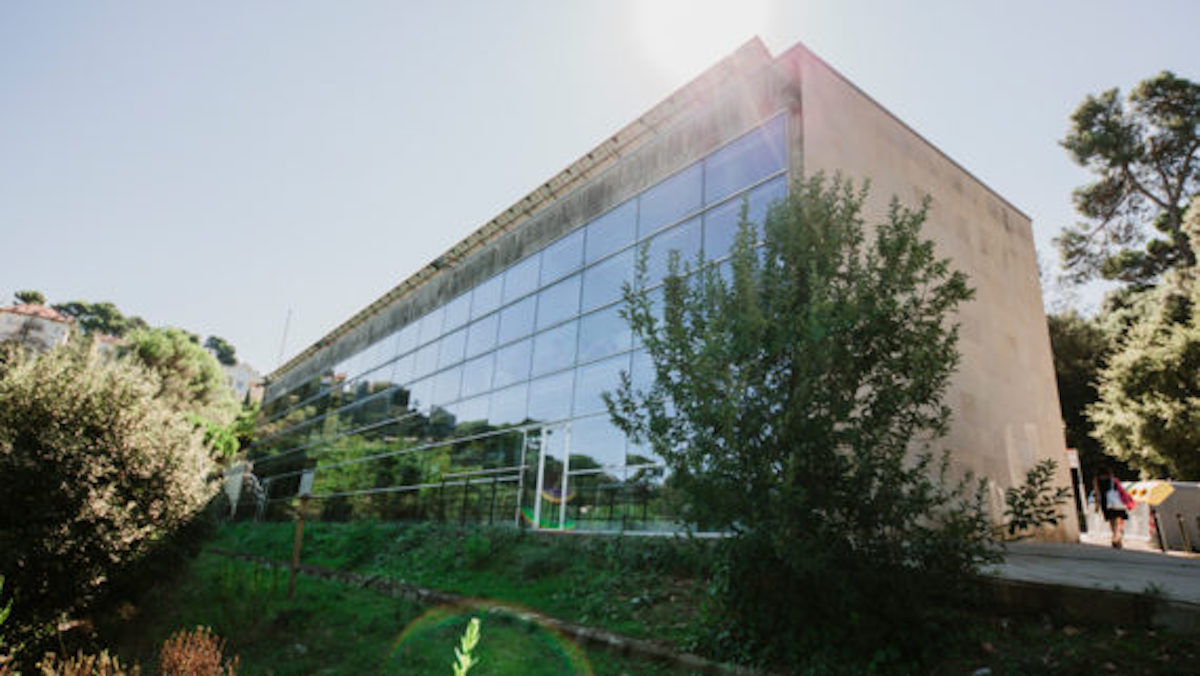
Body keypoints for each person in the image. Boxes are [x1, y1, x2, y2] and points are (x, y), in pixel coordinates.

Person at [1093, 467, 1134, 549]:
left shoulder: (1097, 480)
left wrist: (1097, 505)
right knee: (1118, 520)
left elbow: (1097, 492)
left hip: (1106, 502)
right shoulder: (1113, 480)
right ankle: (1117, 537)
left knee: (1112, 521)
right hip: (1116, 502)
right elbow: (1121, 491)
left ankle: (1115, 536)